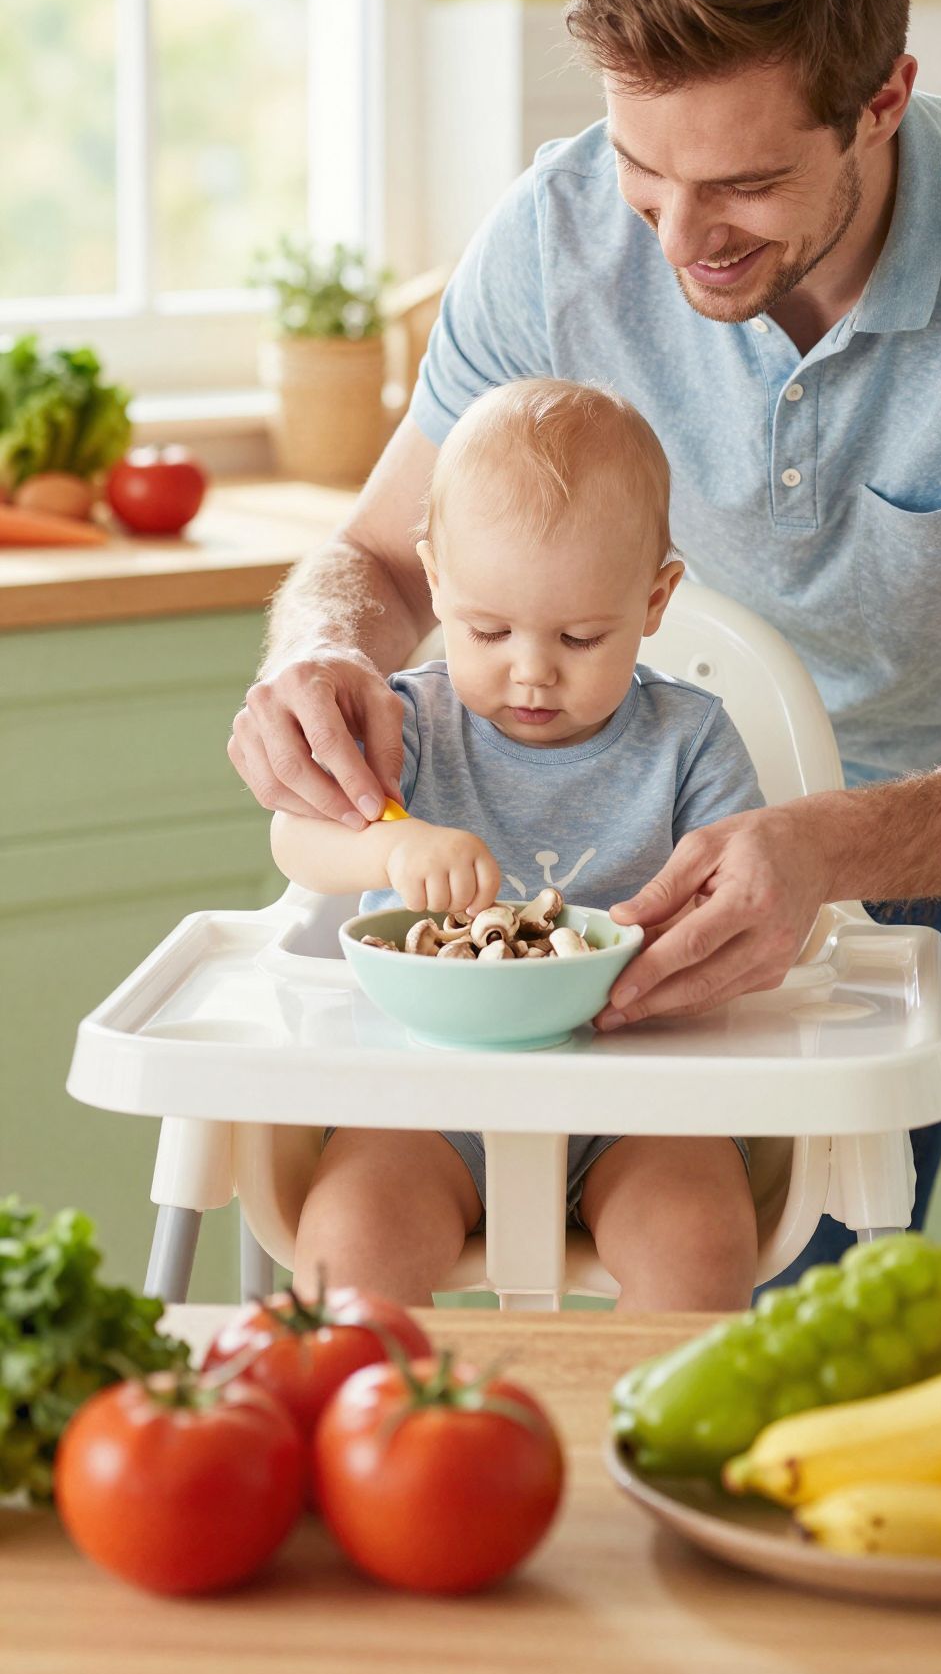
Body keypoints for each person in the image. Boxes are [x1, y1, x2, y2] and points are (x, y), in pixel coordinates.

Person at [231, 0, 941, 1310]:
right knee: (774, 1353)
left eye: (743, 186)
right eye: (642, 169)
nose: (675, 238)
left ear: (885, 97)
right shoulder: (557, 232)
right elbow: (378, 558)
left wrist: (823, 851)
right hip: (720, 883)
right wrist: (315, 654)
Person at [270, 377, 766, 1310]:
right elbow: (293, 834)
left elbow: (741, 890)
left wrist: (699, 927)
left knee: (700, 1246)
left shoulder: (690, 740)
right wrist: (391, 849)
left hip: (641, 1096)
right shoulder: (409, 721)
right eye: (487, 629)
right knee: (347, 1246)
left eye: (581, 636)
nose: (530, 672)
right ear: (436, 581)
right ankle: (379, 1442)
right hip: (427, 1098)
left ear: (656, 600)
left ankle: (645, 1448)